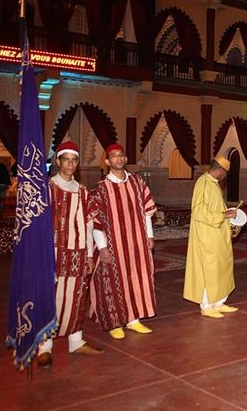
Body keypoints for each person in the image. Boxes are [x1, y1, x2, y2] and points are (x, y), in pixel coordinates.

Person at [37, 142, 103, 368]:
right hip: (52, 253)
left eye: (74, 160)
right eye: (66, 159)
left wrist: (89, 253)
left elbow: (89, 224)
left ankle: (76, 341)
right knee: (51, 297)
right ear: (57, 162)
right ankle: (44, 347)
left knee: (76, 297)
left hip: (78, 253)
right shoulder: (46, 189)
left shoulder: (83, 191)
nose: (70, 164)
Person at [88, 143, 157, 339]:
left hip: (137, 242)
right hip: (112, 245)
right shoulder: (100, 189)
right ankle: (114, 323)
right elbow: (96, 221)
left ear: (126, 159)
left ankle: (134, 319)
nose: (118, 158)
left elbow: (147, 213)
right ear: (107, 161)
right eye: (114, 156)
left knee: (137, 278)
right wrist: (102, 247)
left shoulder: (137, 183)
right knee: (112, 281)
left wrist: (149, 235)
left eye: (121, 155)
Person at [183, 156, 239, 318]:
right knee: (210, 270)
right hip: (206, 236)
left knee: (222, 268)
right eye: (225, 173)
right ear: (220, 170)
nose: (225, 176)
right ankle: (206, 306)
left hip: (218, 236)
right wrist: (223, 215)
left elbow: (216, 209)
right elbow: (198, 211)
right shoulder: (203, 183)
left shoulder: (214, 185)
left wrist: (228, 215)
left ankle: (218, 302)